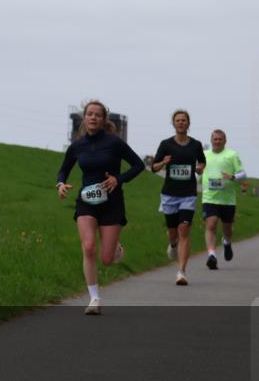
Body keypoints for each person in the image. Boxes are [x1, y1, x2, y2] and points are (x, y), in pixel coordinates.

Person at [57, 100, 145, 314]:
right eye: (89, 114)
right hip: (87, 201)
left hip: (112, 203)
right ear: (84, 118)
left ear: (104, 120)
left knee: (106, 259)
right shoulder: (77, 146)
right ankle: (94, 299)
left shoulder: (114, 142)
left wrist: (119, 179)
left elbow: (138, 165)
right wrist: (60, 184)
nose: (93, 117)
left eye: (97, 115)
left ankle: (115, 247)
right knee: (88, 247)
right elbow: (63, 170)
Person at [151, 110, 206, 285]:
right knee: (173, 231)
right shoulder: (166, 144)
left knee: (184, 230)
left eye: (183, 120)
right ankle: (172, 244)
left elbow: (202, 161)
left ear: (188, 124)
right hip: (169, 194)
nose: (181, 123)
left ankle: (181, 272)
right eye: (177, 120)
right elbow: (153, 167)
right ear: (173, 124)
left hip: (188, 194)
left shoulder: (196, 145)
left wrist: (199, 168)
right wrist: (163, 163)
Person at [201, 129, 247, 268]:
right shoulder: (204, 155)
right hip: (209, 198)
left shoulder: (232, 155)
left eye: (220, 139)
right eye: (215, 139)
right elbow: (198, 170)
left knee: (227, 228)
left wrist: (232, 177)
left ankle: (227, 242)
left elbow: (243, 174)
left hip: (227, 199)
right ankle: (212, 255)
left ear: (225, 141)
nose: (217, 141)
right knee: (211, 224)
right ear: (211, 140)